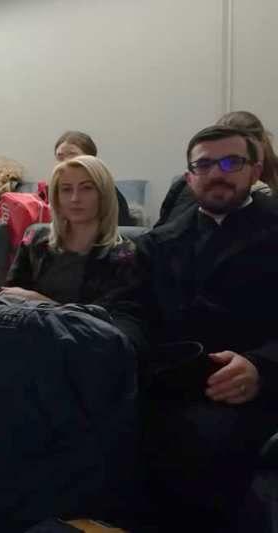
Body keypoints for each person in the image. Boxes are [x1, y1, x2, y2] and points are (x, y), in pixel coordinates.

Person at [129, 125, 278, 532]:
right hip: (165, 380)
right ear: (189, 176)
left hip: (247, 389)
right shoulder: (158, 243)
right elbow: (132, 312)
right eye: (205, 165)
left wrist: (262, 366)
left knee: (201, 444)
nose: (217, 173)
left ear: (255, 170)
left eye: (231, 163)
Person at [0, 155, 138, 307]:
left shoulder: (124, 255)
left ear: (104, 195)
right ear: (56, 197)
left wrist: (43, 302)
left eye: (86, 188)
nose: (75, 198)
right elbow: (10, 298)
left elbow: (111, 317)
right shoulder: (35, 239)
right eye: (66, 189)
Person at [156, 111, 278, 227]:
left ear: (262, 145)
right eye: (205, 163)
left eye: (233, 160)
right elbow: (163, 230)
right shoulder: (186, 184)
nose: (217, 173)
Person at [53, 131, 136, 226]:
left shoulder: (106, 190)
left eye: (73, 155)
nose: (65, 162)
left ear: (91, 158)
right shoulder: (53, 191)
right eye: (60, 157)